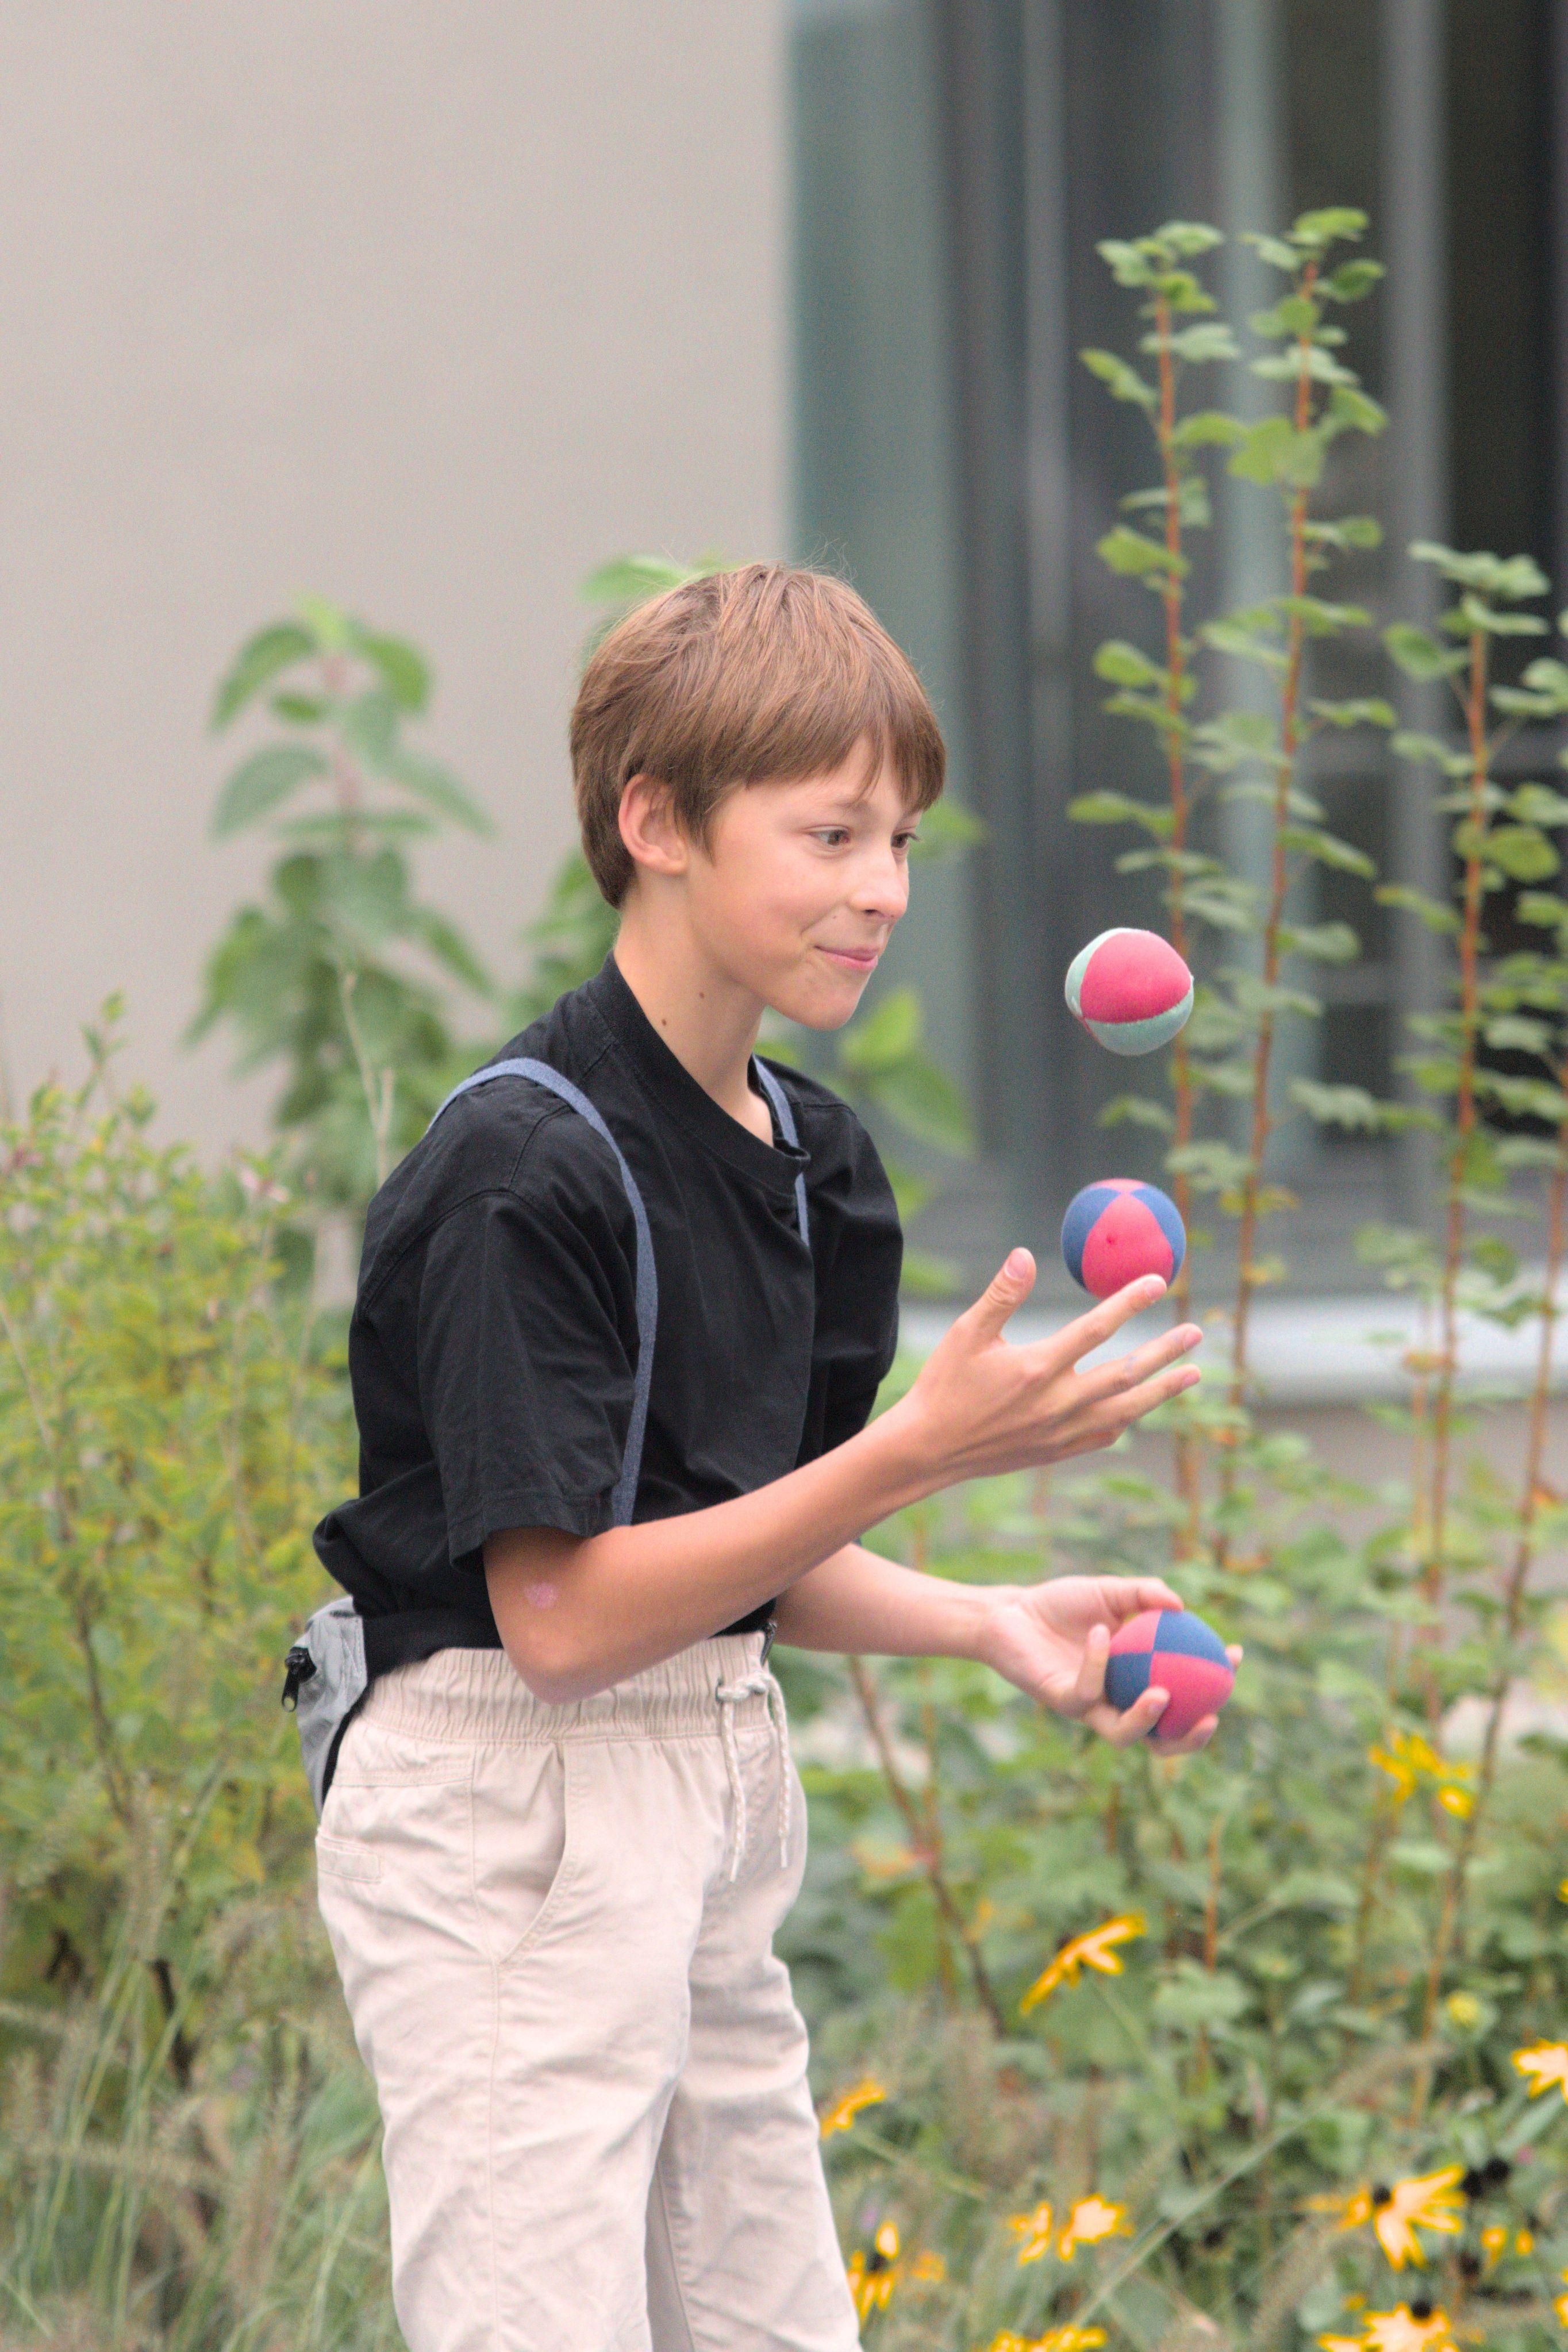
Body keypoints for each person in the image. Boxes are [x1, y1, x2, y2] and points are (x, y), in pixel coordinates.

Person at [311, 563, 1211, 2352]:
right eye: (831, 834)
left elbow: (745, 1557)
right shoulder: (523, 1170)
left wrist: (981, 1618)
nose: (883, 889)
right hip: (510, 1813)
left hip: (712, 1779)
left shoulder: (819, 1163)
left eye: (901, 840)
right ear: (658, 824)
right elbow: (562, 1620)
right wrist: (918, 1451)